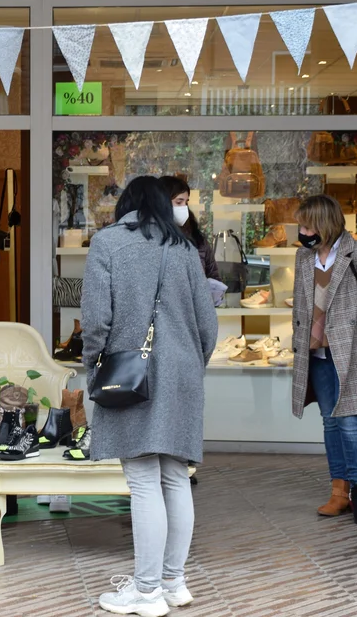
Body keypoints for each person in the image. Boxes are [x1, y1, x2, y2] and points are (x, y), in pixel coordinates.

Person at [81, 176, 219, 616]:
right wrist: (190, 364)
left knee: (142, 482)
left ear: (127, 204)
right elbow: (208, 324)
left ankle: (145, 592)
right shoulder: (184, 248)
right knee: (175, 478)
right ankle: (173, 583)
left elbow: (96, 320)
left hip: (131, 374)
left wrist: (94, 366)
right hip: (182, 374)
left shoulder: (108, 243)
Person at [291, 194, 357, 526]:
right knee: (330, 421)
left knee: (350, 421)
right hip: (316, 352)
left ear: (324, 224)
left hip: (353, 350)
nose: (302, 232)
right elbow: (301, 305)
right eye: (301, 225)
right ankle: (339, 491)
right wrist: (297, 344)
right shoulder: (303, 257)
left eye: (307, 226)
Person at [160, 175, 220, 280]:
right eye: (179, 202)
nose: (184, 207)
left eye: (186, 202)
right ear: (162, 202)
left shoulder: (197, 239)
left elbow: (213, 276)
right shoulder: (152, 238)